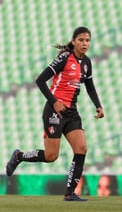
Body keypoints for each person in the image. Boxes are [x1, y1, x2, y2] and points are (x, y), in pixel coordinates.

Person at [5, 27, 104, 201]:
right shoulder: (64, 58)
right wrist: (54, 102)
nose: (84, 43)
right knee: (51, 156)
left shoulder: (87, 62)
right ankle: (19, 156)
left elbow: (90, 86)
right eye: (81, 40)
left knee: (81, 149)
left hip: (72, 112)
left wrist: (98, 105)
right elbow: (40, 80)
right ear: (73, 41)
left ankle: (70, 193)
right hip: (54, 110)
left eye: (87, 40)